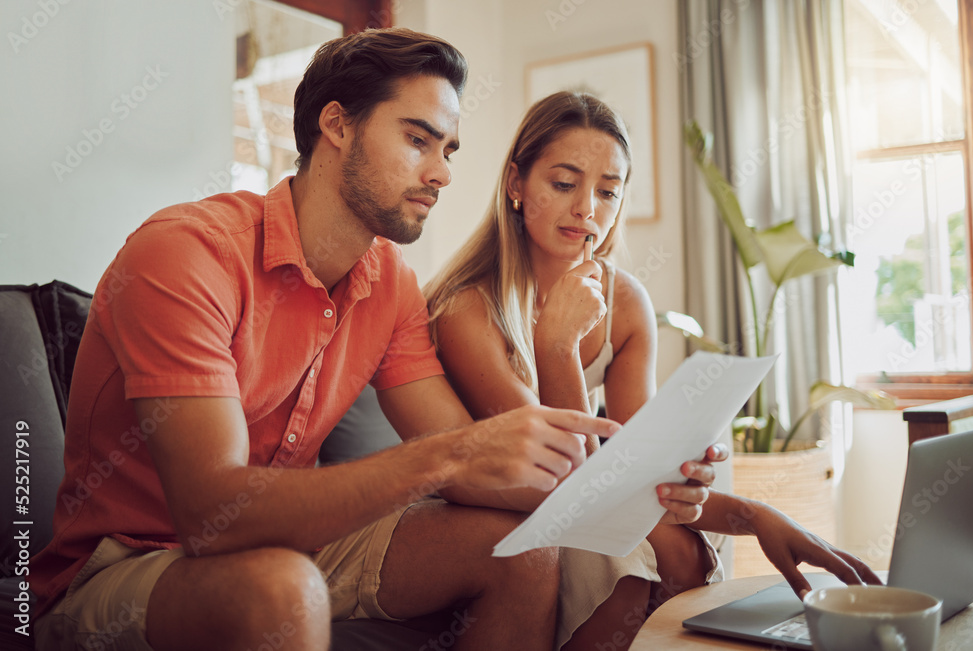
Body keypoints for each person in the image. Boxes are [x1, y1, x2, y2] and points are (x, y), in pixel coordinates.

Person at [29, 30, 725, 651]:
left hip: (295, 540)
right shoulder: (186, 254)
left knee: (518, 549)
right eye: (418, 140)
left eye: (448, 149)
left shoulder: (387, 281)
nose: (444, 174)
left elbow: (480, 462)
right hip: (127, 562)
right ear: (337, 125)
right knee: (280, 588)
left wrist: (655, 499)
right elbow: (212, 514)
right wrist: (448, 457)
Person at [424, 91, 880, 650]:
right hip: (506, 503)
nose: (587, 207)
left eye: (608, 191)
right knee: (640, 555)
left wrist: (756, 515)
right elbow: (571, 484)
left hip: (579, 496)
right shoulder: (469, 310)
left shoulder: (623, 300)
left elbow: (636, 473)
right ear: (516, 184)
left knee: (682, 549)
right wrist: (558, 345)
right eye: (564, 184)